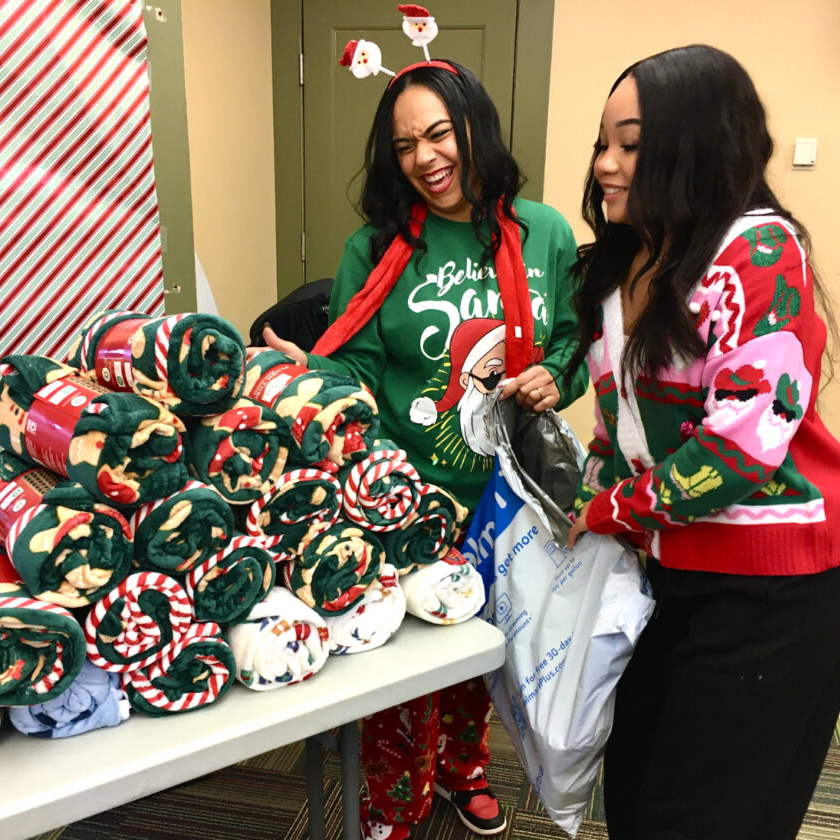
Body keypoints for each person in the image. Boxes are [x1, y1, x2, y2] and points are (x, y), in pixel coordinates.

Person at [264, 58, 588, 840]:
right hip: (414, 495)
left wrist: (555, 375)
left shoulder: (542, 231)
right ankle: (392, 805)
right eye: (405, 145)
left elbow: (576, 341)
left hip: (514, 495)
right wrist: (303, 371)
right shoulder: (373, 247)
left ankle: (462, 771)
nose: (426, 158)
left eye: (439, 133)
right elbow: (358, 365)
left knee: (488, 648)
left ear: (475, 125)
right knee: (403, 669)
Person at [565, 45, 840, 840]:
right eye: (603, 142)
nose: (605, 164)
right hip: (673, 561)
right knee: (636, 788)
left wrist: (610, 511)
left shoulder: (757, 253)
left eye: (630, 144)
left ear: (696, 143)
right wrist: (584, 494)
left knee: (709, 814)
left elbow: (737, 453)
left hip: (777, 586)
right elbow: (619, 425)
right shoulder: (627, 253)